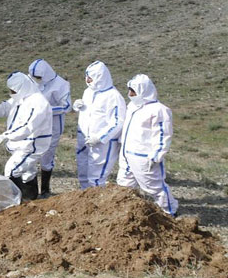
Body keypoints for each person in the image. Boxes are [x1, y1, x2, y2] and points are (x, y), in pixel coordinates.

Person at [0, 72, 52, 200]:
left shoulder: (39, 103)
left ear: (22, 87)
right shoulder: (22, 97)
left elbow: (28, 126)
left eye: (13, 91)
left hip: (31, 145)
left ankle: (16, 200)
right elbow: (5, 107)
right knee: (27, 172)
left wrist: (7, 135)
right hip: (21, 143)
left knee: (12, 170)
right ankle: (30, 198)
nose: (11, 93)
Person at [117, 74, 178, 216]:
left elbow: (163, 134)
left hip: (144, 157)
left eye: (133, 91)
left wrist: (157, 155)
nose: (130, 94)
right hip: (127, 153)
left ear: (143, 91)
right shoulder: (132, 106)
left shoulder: (159, 110)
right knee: (124, 184)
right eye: (129, 90)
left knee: (153, 187)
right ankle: (125, 212)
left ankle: (169, 211)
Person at [73, 61, 126, 189]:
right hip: (84, 139)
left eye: (90, 78)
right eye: (86, 77)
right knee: (83, 169)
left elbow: (118, 122)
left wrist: (100, 137)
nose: (87, 80)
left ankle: (96, 198)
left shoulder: (113, 96)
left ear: (99, 77)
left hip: (102, 144)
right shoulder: (88, 92)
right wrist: (77, 106)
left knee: (96, 176)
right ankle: (83, 195)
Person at [28, 59, 71, 197]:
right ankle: (32, 192)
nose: (36, 79)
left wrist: (46, 110)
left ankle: (45, 190)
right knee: (30, 154)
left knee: (47, 156)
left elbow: (66, 106)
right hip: (34, 125)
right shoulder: (30, 81)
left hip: (52, 126)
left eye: (38, 77)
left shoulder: (60, 84)